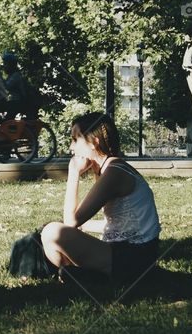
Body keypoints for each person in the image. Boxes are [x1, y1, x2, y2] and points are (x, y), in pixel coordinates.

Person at [41, 112, 162, 284]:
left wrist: (73, 173)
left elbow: (71, 221)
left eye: (75, 139)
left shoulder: (114, 172)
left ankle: (81, 278)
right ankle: (79, 277)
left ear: (93, 142)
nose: (71, 147)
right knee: (54, 229)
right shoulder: (111, 168)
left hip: (133, 259)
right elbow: (121, 224)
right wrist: (81, 227)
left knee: (52, 231)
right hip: (133, 254)